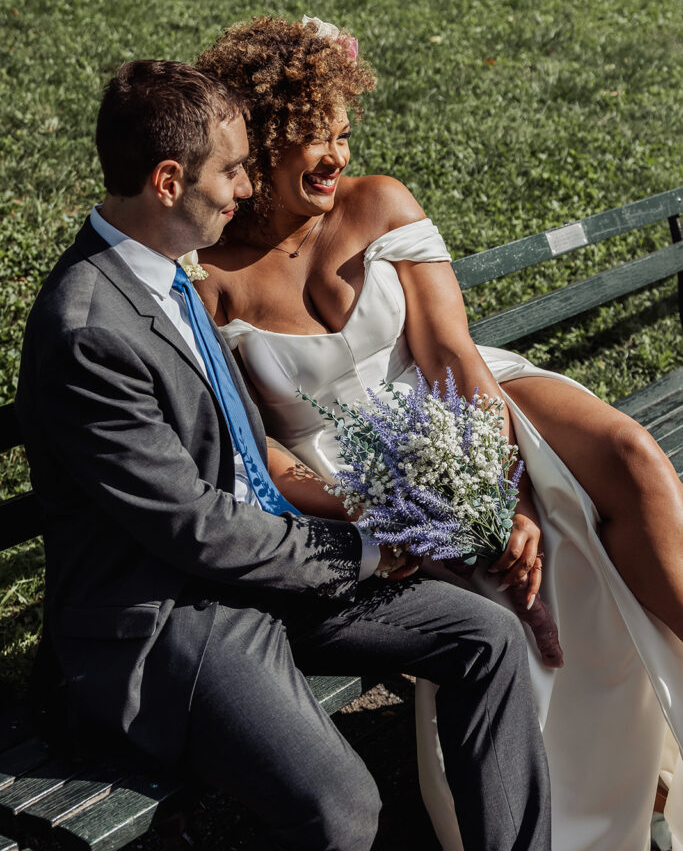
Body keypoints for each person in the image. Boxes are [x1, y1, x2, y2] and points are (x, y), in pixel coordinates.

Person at [15, 58, 552, 851]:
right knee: (340, 807)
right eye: (231, 171)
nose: (244, 188)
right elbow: (195, 531)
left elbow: (244, 449)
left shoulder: (164, 273)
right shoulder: (91, 327)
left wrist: (383, 515)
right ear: (169, 180)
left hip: (262, 575)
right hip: (176, 617)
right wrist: (364, 549)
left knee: (488, 640)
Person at [193, 16, 683, 851]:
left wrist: (503, 494)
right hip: (359, 480)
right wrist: (399, 513)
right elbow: (261, 452)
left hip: (464, 410)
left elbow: (452, 356)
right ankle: (584, 816)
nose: (337, 157)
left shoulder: (379, 203)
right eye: (314, 141)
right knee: (545, 580)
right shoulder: (215, 281)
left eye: (343, 134)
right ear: (263, 144)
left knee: (629, 462)